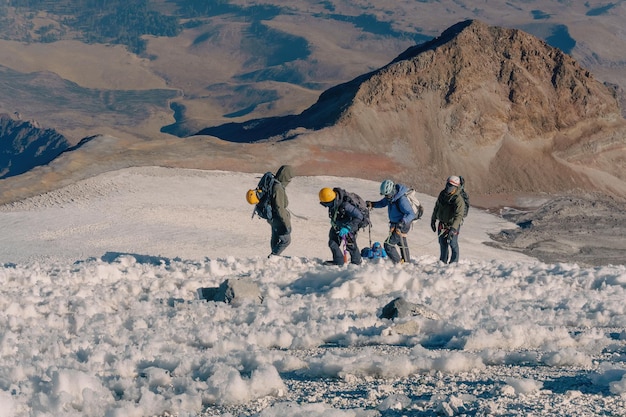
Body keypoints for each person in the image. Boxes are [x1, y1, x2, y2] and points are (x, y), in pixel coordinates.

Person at [366, 180, 416, 263]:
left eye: (387, 194)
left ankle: (399, 264)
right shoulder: (391, 198)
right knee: (401, 242)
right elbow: (382, 203)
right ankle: (406, 262)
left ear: (392, 190)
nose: (386, 196)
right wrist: (373, 204)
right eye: (385, 195)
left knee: (388, 245)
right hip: (397, 224)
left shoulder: (401, 200)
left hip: (402, 225)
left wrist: (403, 221)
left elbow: (411, 214)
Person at [319, 187, 364, 266]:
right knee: (333, 242)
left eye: (326, 204)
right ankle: (339, 261)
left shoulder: (345, 205)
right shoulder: (334, 204)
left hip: (349, 227)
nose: (326, 206)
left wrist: (348, 227)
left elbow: (359, 216)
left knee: (350, 245)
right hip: (338, 226)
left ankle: (357, 262)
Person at [430, 175, 466, 264]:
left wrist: (453, 228)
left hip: (452, 225)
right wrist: (433, 219)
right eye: (447, 184)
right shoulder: (442, 194)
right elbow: (437, 206)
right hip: (442, 224)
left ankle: (454, 263)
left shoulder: (458, 200)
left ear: (455, 187)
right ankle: (443, 262)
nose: (447, 187)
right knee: (442, 244)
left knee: (453, 244)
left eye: (450, 185)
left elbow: (459, 215)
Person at [269, 165, 294, 257]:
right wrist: (287, 224)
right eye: (289, 178)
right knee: (286, 240)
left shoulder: (273, 183)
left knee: (275, 237)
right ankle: (273, 256)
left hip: (272, 217)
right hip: (278, 218)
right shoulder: (278, 188)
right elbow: (280, 208)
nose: (289, 181)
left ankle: (274, 256)